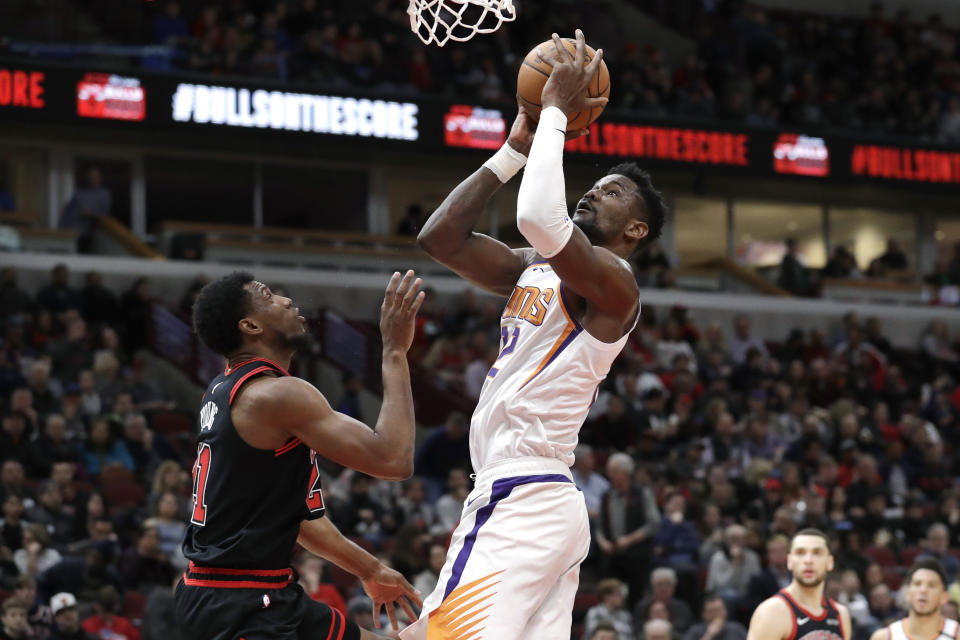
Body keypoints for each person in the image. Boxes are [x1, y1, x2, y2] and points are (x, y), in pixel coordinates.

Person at [404, 29, 666, 640]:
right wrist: (513, 150)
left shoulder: (614, 284)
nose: (596, 189)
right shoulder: (536, 268)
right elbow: (439, 241)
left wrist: (552, 112)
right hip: (534, 495)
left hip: (523, 492)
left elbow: (536, 216)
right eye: (598, 184)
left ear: (634, 230)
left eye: (614, 193)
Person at [173, 270, 425, 640]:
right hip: (238, 602)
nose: (286, 299)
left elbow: (302, 521)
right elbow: (392, 459)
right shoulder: (276, 396)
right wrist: (393, 352)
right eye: (267, 295)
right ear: (250, 325)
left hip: (256, 590)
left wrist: (370, 570)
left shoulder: (225, 389)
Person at [746, 528, 853, 640]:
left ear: (830, 562)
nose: (808, 560)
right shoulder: (772, 612)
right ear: (789, 561)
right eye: (800, 553)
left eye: (817, 553)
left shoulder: (841, 614)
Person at [871, 558, 956, 640]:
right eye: (917, 584)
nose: (923, 590)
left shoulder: (957, 634)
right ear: (907, 593)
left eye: (931, 585)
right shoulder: (884, 637)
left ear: (944, 597)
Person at [682, 595, 747, 640]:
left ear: (725, 611)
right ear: (704, 614)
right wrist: (709, 635)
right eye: (712, 611)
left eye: (719, 610)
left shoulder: (737, 629)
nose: (716, 614)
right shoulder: (694, 631)